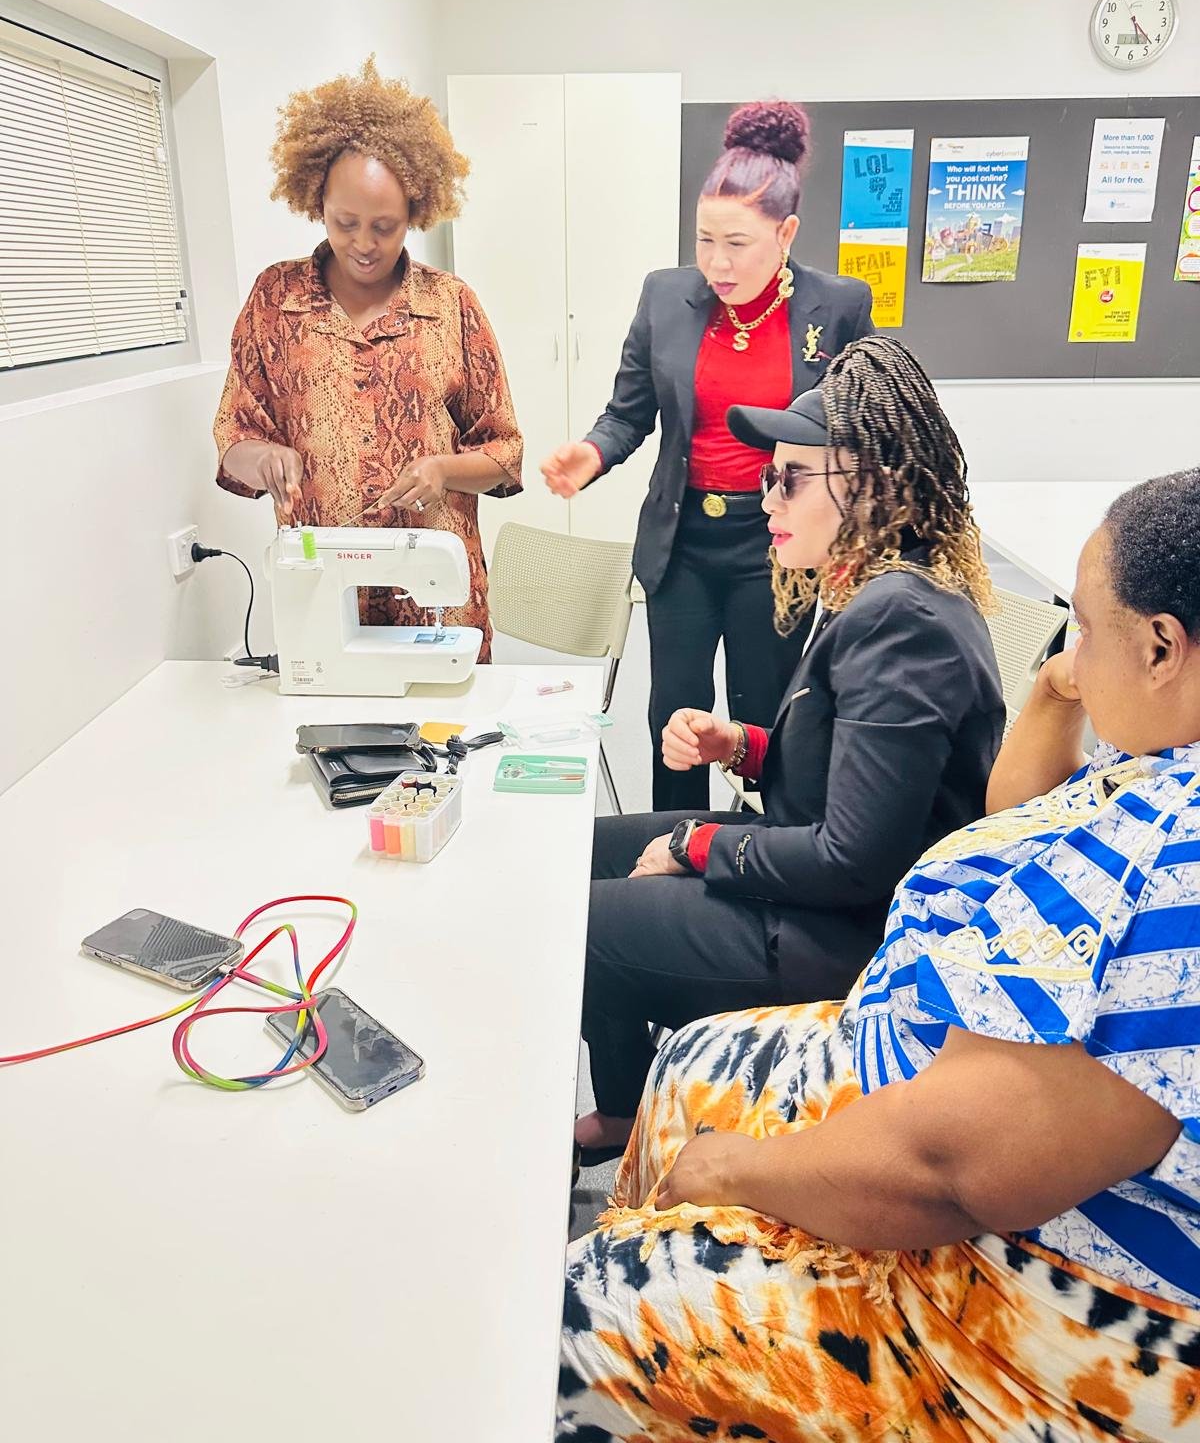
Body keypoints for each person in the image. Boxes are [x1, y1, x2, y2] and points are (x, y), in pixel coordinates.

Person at [558, 468, 1200, 1443]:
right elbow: (1021, 820)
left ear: (1161, 645)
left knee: (571, 1314)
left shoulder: (1180, 867)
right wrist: (1065, 679)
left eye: (1087, 620)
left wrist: (738, 1173)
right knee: (685, 1069)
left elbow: (951, 1170)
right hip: (917, 1064)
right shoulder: (1160, 727)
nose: (761, 502)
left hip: (1012, 1305)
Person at [574, 338, 1004, 1170]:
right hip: (821, 887)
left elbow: (854, 858)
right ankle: (633, 1110)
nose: (763, 494)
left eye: (790, 478)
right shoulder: (878, 589)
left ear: (872, 486)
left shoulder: (901, 620)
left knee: (580, 924)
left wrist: (697, 846)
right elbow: (857, 771)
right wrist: (746, 746)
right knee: (584, 852)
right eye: (769, 474)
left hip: (847, 933)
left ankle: (639, 1122)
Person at [541, 101, 875, 808]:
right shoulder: (667, 297)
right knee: (678, 715)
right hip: (684, 540)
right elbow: (628, 412)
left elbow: (860, 432)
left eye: (739, 243)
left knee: (765, 715)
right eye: (704, 240)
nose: (717, 263)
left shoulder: (836, 307)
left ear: (785, 233)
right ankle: (674, 846)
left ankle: (758, 850)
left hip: (777, 543)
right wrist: (592, 454)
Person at [213, 58, 522, 658]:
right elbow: (235, 436)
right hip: (323, 589)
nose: (363, 244)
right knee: (330, 740)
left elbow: (504, 453)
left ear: (415, 212)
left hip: (435, 592)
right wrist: (265, 458)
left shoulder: (450, 305)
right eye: (344, 222)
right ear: (316, 203)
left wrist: (443, 470)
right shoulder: (275, 300)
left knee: (448, 739)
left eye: (385, 226)